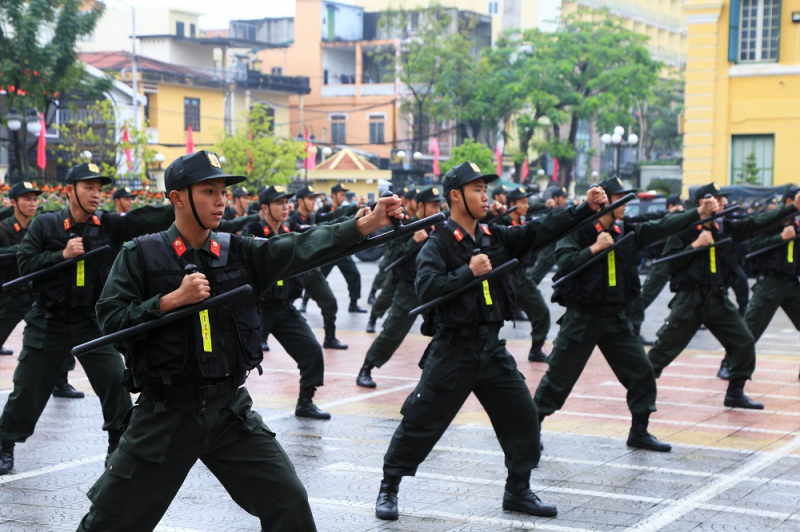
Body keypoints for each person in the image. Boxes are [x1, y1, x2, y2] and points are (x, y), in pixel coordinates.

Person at [75, 150, 403, 531]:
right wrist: (168, 302)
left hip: (230, 413)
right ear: (177, 197)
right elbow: (110, 319)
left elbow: (297, 247)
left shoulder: (238, 251)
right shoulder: (142, 255)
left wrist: (362, 225)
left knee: (289, 502)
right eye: (208, 191)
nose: (220, 201)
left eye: (223, 192)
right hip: (166, 415)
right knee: (110, 522)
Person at [374, 162, 608, 521]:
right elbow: (427, 288)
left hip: (491, 348)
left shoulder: (495, 236)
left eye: (485, 190)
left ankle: (518, 490)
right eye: (477, 190)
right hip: (453, 350)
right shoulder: (437, 243)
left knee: (523, 416)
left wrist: (583, 208)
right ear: (456, 196)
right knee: (421, 420)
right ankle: (390, 485)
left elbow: (540, 230)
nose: (485, 196)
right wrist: (467, 273)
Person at [0, 163, 180, 476]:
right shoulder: (45, 224)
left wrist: (179, 202)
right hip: (49, 321)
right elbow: (24, 263)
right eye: (89, 188)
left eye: (99, 189)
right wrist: (62, 255)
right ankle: (5, 444)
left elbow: (145, 219)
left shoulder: (109, 224)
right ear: (69, 190)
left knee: (115, 381)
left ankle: (118, 444)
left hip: (92, 324)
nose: (96, 195)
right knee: (28, 388)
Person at [534, 178, 718, 454]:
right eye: (620, 197)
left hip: (615, 318)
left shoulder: (625, 230)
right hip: (583, 317)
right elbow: (566, 264)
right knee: (558, 378)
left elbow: (660, 227)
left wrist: (698, 214)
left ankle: (639, 432)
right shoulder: (579, 229)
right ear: (605, 201)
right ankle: (531, 428)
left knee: (642, 372)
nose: (626, 203)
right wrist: (594, 248)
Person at [647, 183, 800, 410]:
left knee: (744, 341)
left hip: (718, 299)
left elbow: (756, 223)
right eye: (719, 199)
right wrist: (695, 245)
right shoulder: (685, 228)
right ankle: (641, 387)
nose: (725, 202)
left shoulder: (724, 227)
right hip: (691, 300)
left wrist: (790, 209)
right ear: (703, 203)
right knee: (663, 350)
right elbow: (670, 262)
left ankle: (735, 392)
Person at [243, 185, 331, 419]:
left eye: (286, 202)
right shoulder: (252, 231)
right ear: (264, 208)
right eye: (279, 203)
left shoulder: (288, 228)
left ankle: (305, 402)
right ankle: (225, 408)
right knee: (238, 360)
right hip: (257, 309)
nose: (285, 207)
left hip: (284, 307)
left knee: (311, 351)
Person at [357, 186, 445, 388]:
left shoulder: (441, 229)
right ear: (420, 206)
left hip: (434, 288)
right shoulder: (406, 228)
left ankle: (438, 373)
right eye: (432, 205)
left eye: (438, 205)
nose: (436, 209)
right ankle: (367, 367)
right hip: (409, 288)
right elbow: (393, 258)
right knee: (394, 331)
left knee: (446, 330)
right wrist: (413, 241)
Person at [741, 185, 800, 380]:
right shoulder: (772, 219)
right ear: (790, 202)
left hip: (792, 283)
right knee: (750, 329)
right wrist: (780, 238)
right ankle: (731, 366)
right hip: (770, 282)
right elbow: (753, 246)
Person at [288, 185, 348, 349]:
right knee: (277, 307)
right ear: (300, 201)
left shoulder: (314, 218)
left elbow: (331, 220)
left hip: (312, 271)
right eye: (310, 198)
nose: (314, 202)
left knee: (330, 303)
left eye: (315, 198)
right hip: (293, 272)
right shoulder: (291, 220)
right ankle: (262, 338)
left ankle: (330, 338)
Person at [501, 186, 551, 362]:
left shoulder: (523, 224)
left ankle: (536, 349)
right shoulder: (502, 224)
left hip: (522, 277)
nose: (527, 206)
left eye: (527, 202)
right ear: (512, 204)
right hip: (504, 278)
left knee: (542, 312)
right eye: (523, 202)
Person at [365, 187, 420, 333]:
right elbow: (393, 244)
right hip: (396, 264)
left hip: (413, 270)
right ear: (409, 201)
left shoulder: (422, 220)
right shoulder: (402, 217)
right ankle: (373, 319)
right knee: (385, 295)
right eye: (416, 200)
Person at [317, 183, 369, 312]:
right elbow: (333, 218)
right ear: (333, 195)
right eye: (341, 194)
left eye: (344, 195)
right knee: (317, 278)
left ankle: (353, 303)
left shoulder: (347, 209)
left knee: (354, 275)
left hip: (343, 250)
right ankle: (305, 301)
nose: (343, 197)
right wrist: (354, 207)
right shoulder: (323, 210)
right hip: (329, 251)